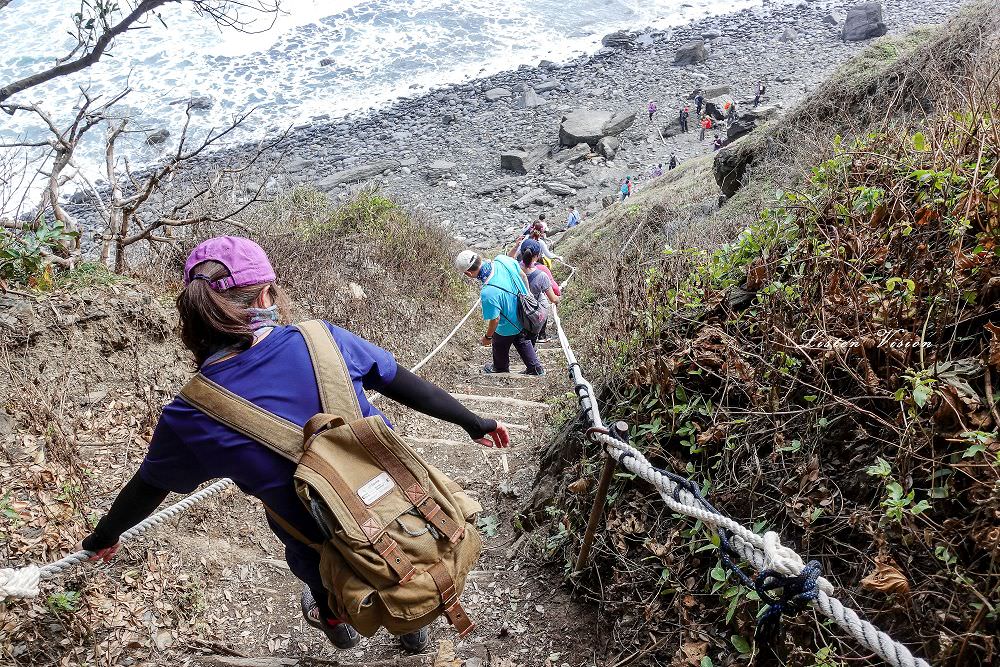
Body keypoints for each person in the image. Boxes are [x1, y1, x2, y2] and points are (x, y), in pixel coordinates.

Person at [81, 236, 511, 654]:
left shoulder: (194, 412)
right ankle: (413, 629)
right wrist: (474, 422)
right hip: (406, 509)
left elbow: (148, 485)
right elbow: (403, 383)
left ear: (198, 313)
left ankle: (337, 623)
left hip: (319, 542)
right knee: (407, 554)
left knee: (322, 574)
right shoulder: (322, 340)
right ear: (267, 296)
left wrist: (104, 536)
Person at [455, 250, 544, 376]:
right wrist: (527, 295)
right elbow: (523, 276)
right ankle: (535, 368)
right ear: (479, 258)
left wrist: (488, 337)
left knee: (499, 341)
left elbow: (495, 319)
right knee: (521, 339)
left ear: (469, 273)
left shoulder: (488, 292)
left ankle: (500, 368)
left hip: (509, 323)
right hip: (525, 313)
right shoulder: (502, 259)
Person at [519, 240, 561, 344]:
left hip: (514, 313)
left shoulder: (513, 269)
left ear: (521, 252)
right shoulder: (542, 275)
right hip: (531, 315)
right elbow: (553, 298)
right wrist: (559, 299)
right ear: (537, 256)